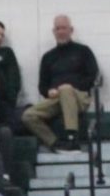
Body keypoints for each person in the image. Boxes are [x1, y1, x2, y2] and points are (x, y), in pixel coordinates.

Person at [22, 15, 99, 152]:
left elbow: (92, 76)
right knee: (28, 115)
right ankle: (56, 144)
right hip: (56, 99)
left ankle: (72, 140)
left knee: (66, 90)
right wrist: (48, 91)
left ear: (71, 30)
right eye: (58, 29)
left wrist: (72, 88)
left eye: (63, 28)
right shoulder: (48, 57)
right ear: (54, 31)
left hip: (79, 97)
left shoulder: (83, 51)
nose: (61, 32)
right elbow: (42, 86)